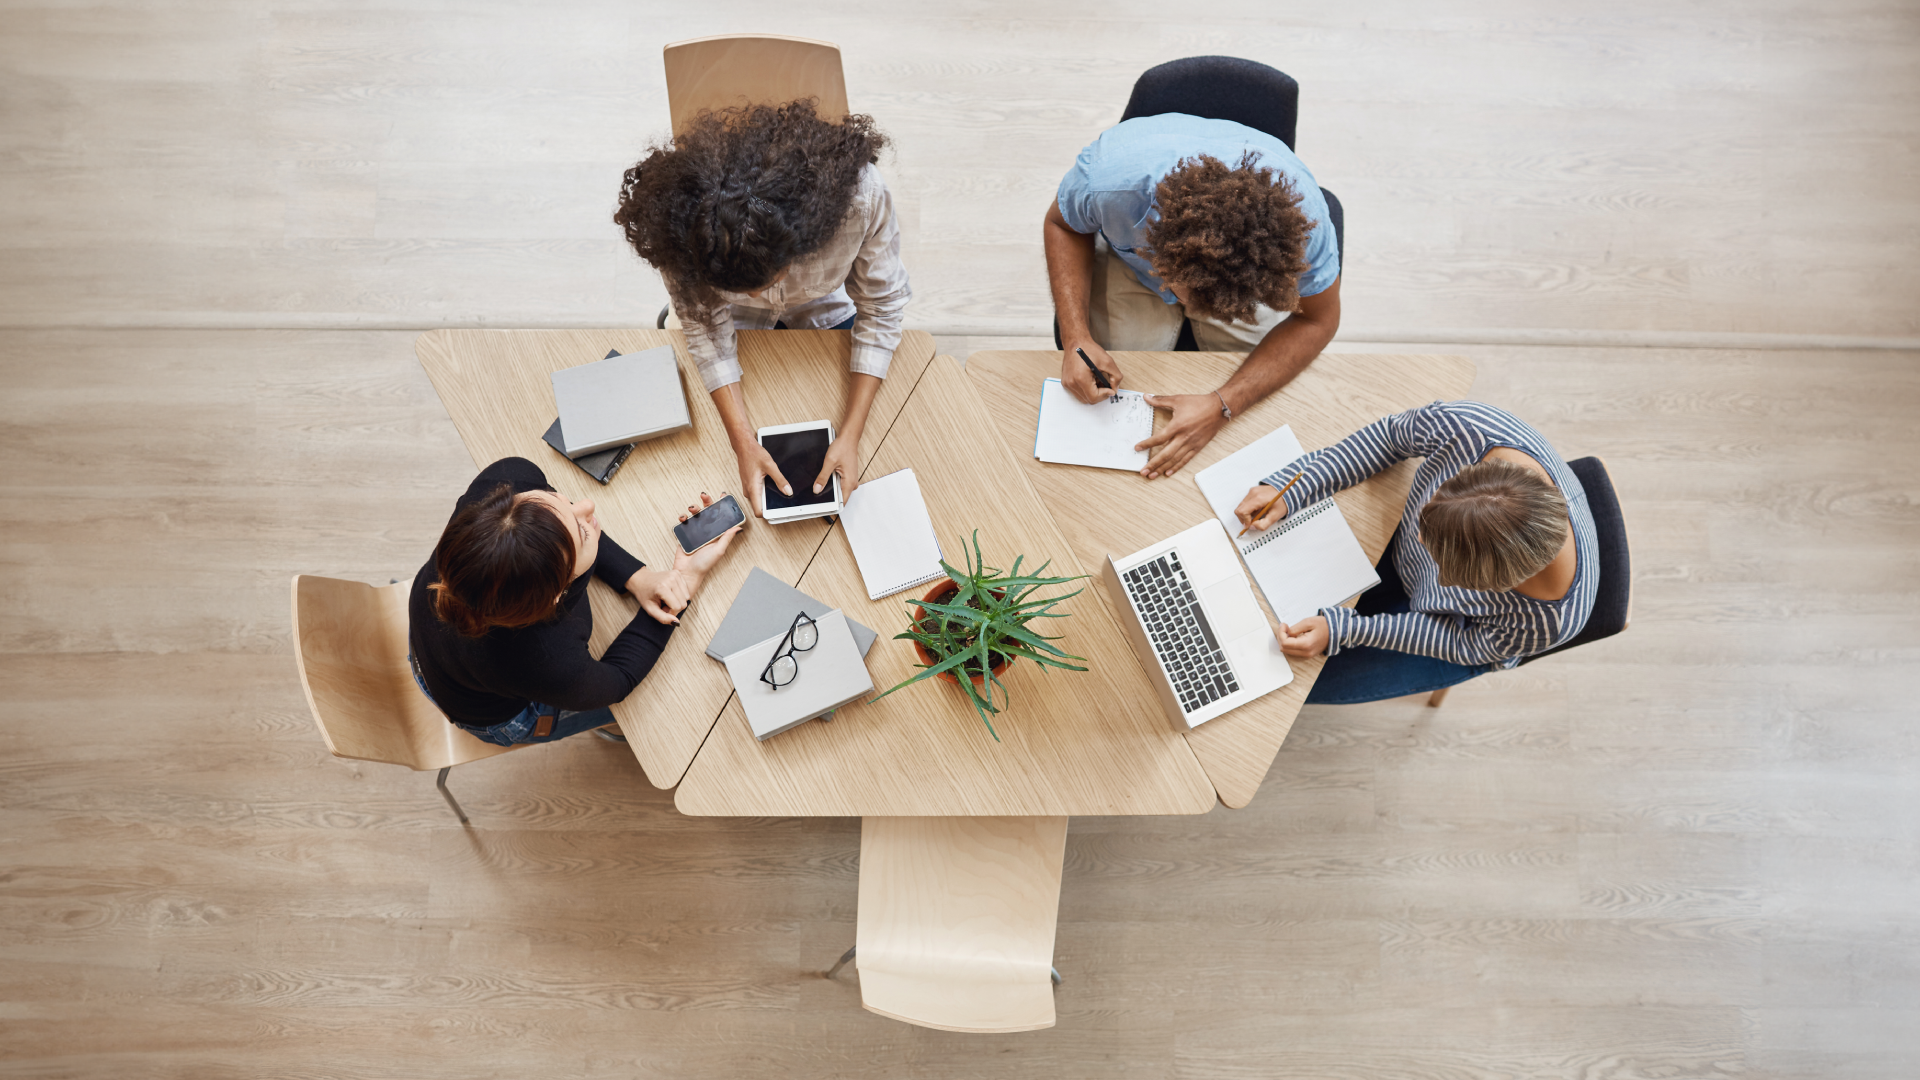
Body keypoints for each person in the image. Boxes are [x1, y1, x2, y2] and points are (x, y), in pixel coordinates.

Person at [614, 101, 911, 516]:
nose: (755, 298)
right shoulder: (684, 224)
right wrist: (742, 443)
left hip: (824, 309)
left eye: (764, 285)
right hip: (733, 327)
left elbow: (881, 309)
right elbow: (704, 326)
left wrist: (852, 434)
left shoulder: (861, 199)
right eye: (738, 290)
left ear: (802, 243)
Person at [1232, 401, 1597, 704]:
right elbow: (1392, 437)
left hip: (1452, 629)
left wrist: (1349, 630)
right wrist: (1296, 486)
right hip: (1396, 558)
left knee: (1284, 688)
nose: (1418, 539)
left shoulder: (1551, 621)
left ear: (1496, 585)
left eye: (1441, 559)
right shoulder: (1471, 428)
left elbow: (1467, 643)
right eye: (1429, 518)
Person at [1044, 113, 1341, 479]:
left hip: (1230, 276)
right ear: (1160, 248)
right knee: (1121, 379)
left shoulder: (1304, 232)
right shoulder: (1108, 185)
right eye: (1178, 288)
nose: (1185, 307)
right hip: (1133, 266)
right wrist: (1077, 339)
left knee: (1254, 406)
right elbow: (1061, 224)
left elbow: (1319, 319)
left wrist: (1222, 405)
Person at [408, 457, 740, 746]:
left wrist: (638, 577)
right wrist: (685, 581)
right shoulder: (546, 659)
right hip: (494, 715)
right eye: (581, 532)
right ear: (556, 595)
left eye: (558, 500)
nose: (586, 506)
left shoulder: (506, 481)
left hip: (433, 653)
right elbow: (618, 680)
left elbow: (556, 535)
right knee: (644, 712)